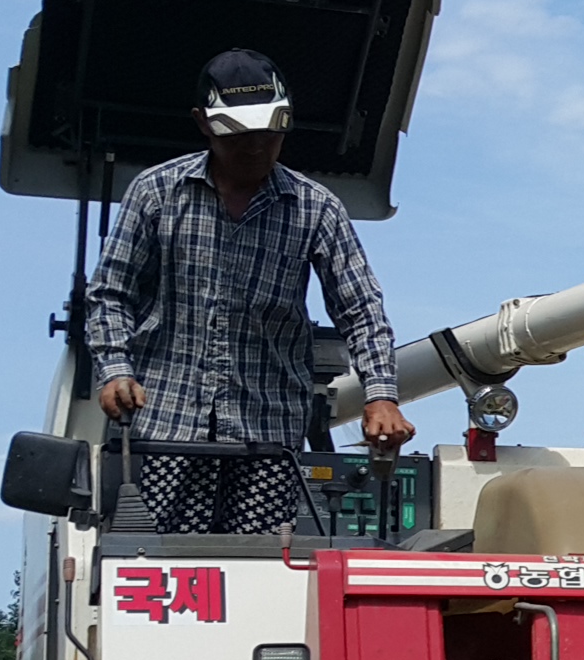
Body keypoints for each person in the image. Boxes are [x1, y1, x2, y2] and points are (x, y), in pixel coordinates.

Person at [84, 49, 414, 532]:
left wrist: (380, 395)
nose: (256, 148)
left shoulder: (315, 209)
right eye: (239, 136)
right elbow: (111, 293)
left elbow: (361, 309)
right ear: (203, 124)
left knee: (262, 576)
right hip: (165, 430)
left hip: (268, 435)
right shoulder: (156, 193)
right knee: (156, 567)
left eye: (270, 134)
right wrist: (115, 369)